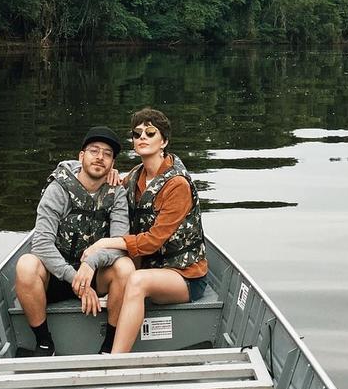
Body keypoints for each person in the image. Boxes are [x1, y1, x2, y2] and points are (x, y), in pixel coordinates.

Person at [81, 108, 208, 353]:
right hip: (152, 267)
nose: (142, 137)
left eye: (150, 133)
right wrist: (112, 175)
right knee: (116, 271)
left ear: (164, 141)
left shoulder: (177, 184)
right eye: (137, 133)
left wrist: (103, 244)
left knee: (137, 281)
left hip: (184, 275)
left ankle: (114, 361)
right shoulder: (135, 176)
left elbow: (150, 243)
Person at [15, 126, 134, 356]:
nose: (100, 157)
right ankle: (44, 343)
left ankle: (109, 346)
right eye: (94, 151)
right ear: (81, 156)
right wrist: (75, 279)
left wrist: (91, 264)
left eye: (107, 154)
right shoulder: (58, 189)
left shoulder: (117, 192)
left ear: (112, 164)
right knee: (26, 265)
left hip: (95, 275)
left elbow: (119, 243)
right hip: (57, 276)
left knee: (126, 267)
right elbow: (41, 244)